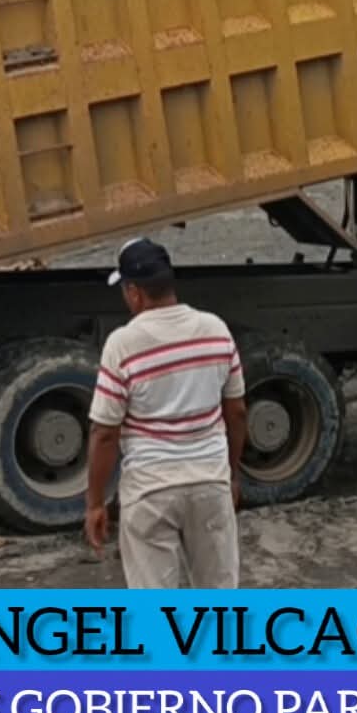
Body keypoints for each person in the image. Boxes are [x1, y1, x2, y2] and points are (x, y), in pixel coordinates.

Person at [83, 237, 248, 588]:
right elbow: (236, 412)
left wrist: (95, 503)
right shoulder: (216, 329)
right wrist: (231, 475)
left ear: (134, 293)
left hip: (151, 490)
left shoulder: (123, 344)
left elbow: (105, 433)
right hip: (210, 483)